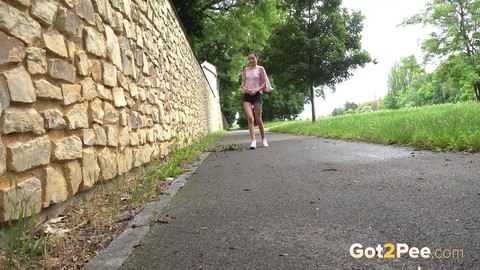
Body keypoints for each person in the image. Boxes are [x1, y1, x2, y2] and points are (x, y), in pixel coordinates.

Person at [241, 52, 273, 149]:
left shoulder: (260, 69)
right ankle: (253, 141)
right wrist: (245, 88)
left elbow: (265, 83)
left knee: (258, 119)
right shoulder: (245, 70)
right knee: (250, 118)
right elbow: (243, 83)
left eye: (252, 58)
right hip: (247, 95)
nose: (251, 60)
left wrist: (257, 89)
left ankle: (263, 139)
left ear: (256, 58)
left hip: (257, 95)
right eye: (249, 59)